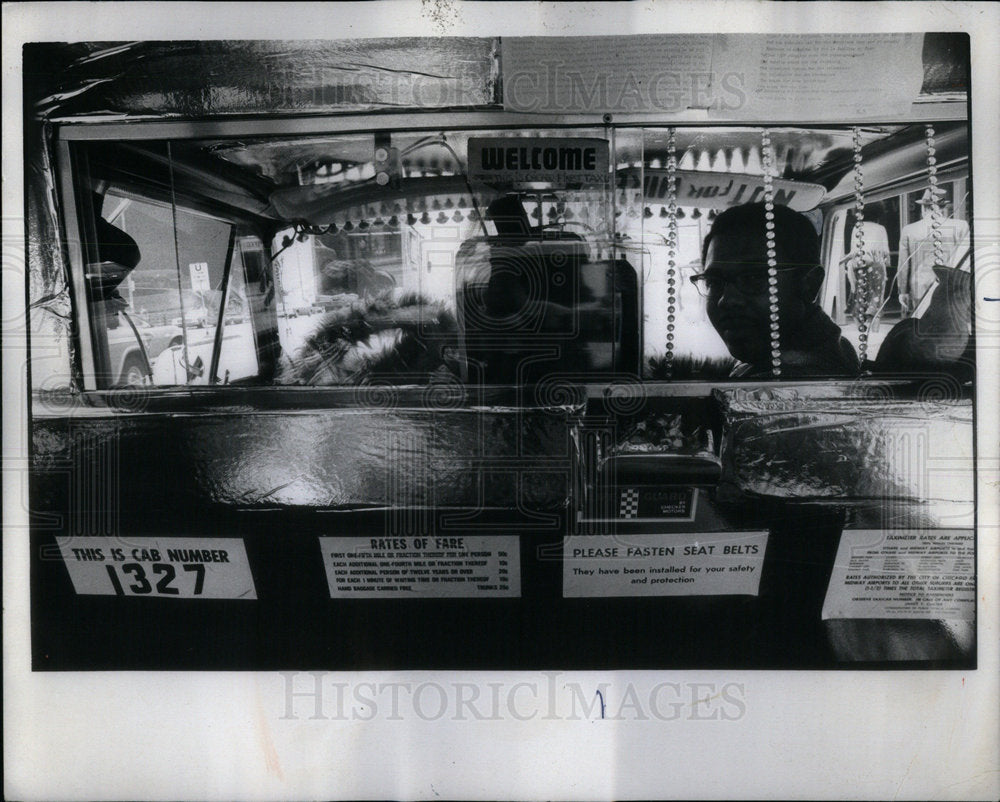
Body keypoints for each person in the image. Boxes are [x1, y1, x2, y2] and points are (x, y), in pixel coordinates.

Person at [692, 202, 859, 377]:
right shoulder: (831, 349)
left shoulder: (777, 389)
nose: (726, 300)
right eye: (713, 282)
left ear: (809, 284)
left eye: (752, 278)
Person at [897, 188, 969, 316]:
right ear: (943, 208)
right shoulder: (961, 226)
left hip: (920, 286)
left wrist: (903, 291)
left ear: (924, 208)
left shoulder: (909, 230)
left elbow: (903, 265)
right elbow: (966, 261)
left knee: (922, 325)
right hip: (950, 287)